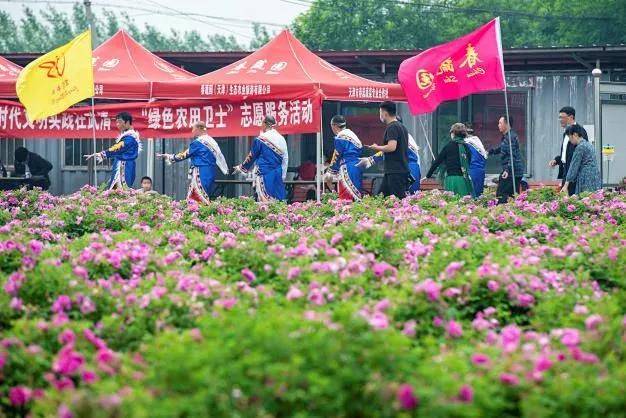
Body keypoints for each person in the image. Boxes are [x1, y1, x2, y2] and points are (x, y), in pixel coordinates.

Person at [157, 122, 228, 203]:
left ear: (198, 129)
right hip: (210, 171)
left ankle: (196, 212)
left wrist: (169, 156)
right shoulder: (212, 141)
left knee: (198, 194)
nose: (192, 131)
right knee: (204, 193)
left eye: (193, 129)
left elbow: (185, 154)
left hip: (200, 171)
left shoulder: (198, 142)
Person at [233, 115, 288, 202]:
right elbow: (285, 159)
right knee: (277, 201)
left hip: (264, 173)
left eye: (262, 123)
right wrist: (283, 175)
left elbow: (252, 156)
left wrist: (241, 167)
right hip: (277, 173)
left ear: (266, 124)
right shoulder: (282, 139)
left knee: (264, 201)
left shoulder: (261, 139)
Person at [85, 112, 141, 190]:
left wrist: (102, 154)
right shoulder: (129, 137)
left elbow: (117, 148)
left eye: (120, 121)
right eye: (116, 122)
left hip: (124, 167)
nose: (117, 124)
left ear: (127, 122)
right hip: (124, 165)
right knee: (119, 190)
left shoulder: (130, 138)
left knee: (121, 191)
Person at [369, 101, 409, 199]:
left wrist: (376, 147)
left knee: (398, 202)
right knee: (380, 199)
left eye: (380, 113)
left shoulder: (392, 127)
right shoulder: (402, 126)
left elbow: (392, 147)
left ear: (385, 113)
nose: (380, 115)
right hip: (394, 170)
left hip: (395, 171)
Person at [424, 123, 473, 197]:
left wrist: (428, 175)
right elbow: (470, 161)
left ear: (453, 133)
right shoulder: (467, 146)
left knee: (451, 204)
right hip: (464, 180)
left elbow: (437, 162)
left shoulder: (448, 146)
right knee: (464, 204)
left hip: (451, 179)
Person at [549, 106, 588, 196]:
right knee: (565, 198)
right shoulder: (566, 132)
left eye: (562, 117)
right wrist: (557, 160)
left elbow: (581, 154)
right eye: (559, 117)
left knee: (573, 199)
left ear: (570, 117)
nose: (560, 120)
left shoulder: (580, 131)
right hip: (566, 170)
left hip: (575, 173)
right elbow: (565, 153)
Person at [324, 115, 364, 201]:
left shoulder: (340, 137)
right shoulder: (352, 135)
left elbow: (337, 155)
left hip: (347, 167)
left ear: (334, 126)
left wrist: (330, 172)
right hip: (357, 166)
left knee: (345, 197)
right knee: (356, 195)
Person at [489, 116, 525, 204]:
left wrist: (507, 169)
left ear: (507, 124)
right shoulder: (507, 137)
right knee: (511, 195)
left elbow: (512, 155)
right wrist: (491, 151)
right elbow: (503, 148)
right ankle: (510, 214)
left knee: (501, 195)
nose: (498, 125)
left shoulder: (510, 137)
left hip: (513, 171)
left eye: (500, 123)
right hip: (513, 171)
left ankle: (503, 214)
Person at [561, 124, 601, 195]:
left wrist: (566, 185)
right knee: (594, 200)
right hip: (595, 176)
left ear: (575, 135)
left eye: (570, 137)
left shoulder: (580, 147)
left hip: (585, 177)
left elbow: (574, 166)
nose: (570, 140)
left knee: (585, 199)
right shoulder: (589, 145)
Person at [463, 123, 487, 197]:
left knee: (470, 197)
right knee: (478, 195)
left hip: (471, 170)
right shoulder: (479, 143)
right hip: (480, 171)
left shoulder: (466, 143)